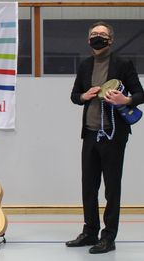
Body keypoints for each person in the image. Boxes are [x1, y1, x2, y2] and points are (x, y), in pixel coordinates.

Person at [66, 22, 144, 254]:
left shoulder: (122, 64)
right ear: (88, 39)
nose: (96, 37)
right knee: (88, 187)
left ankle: (108, 237)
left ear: (111, 40)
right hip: (90, 134)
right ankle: (90, 232)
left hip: (113, 136)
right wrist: (83, 95)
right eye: (93, 34)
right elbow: (73, 96)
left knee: (112, 189)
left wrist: (126, 100)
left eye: (101, 34)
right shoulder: (85, 65)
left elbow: (140, 93)